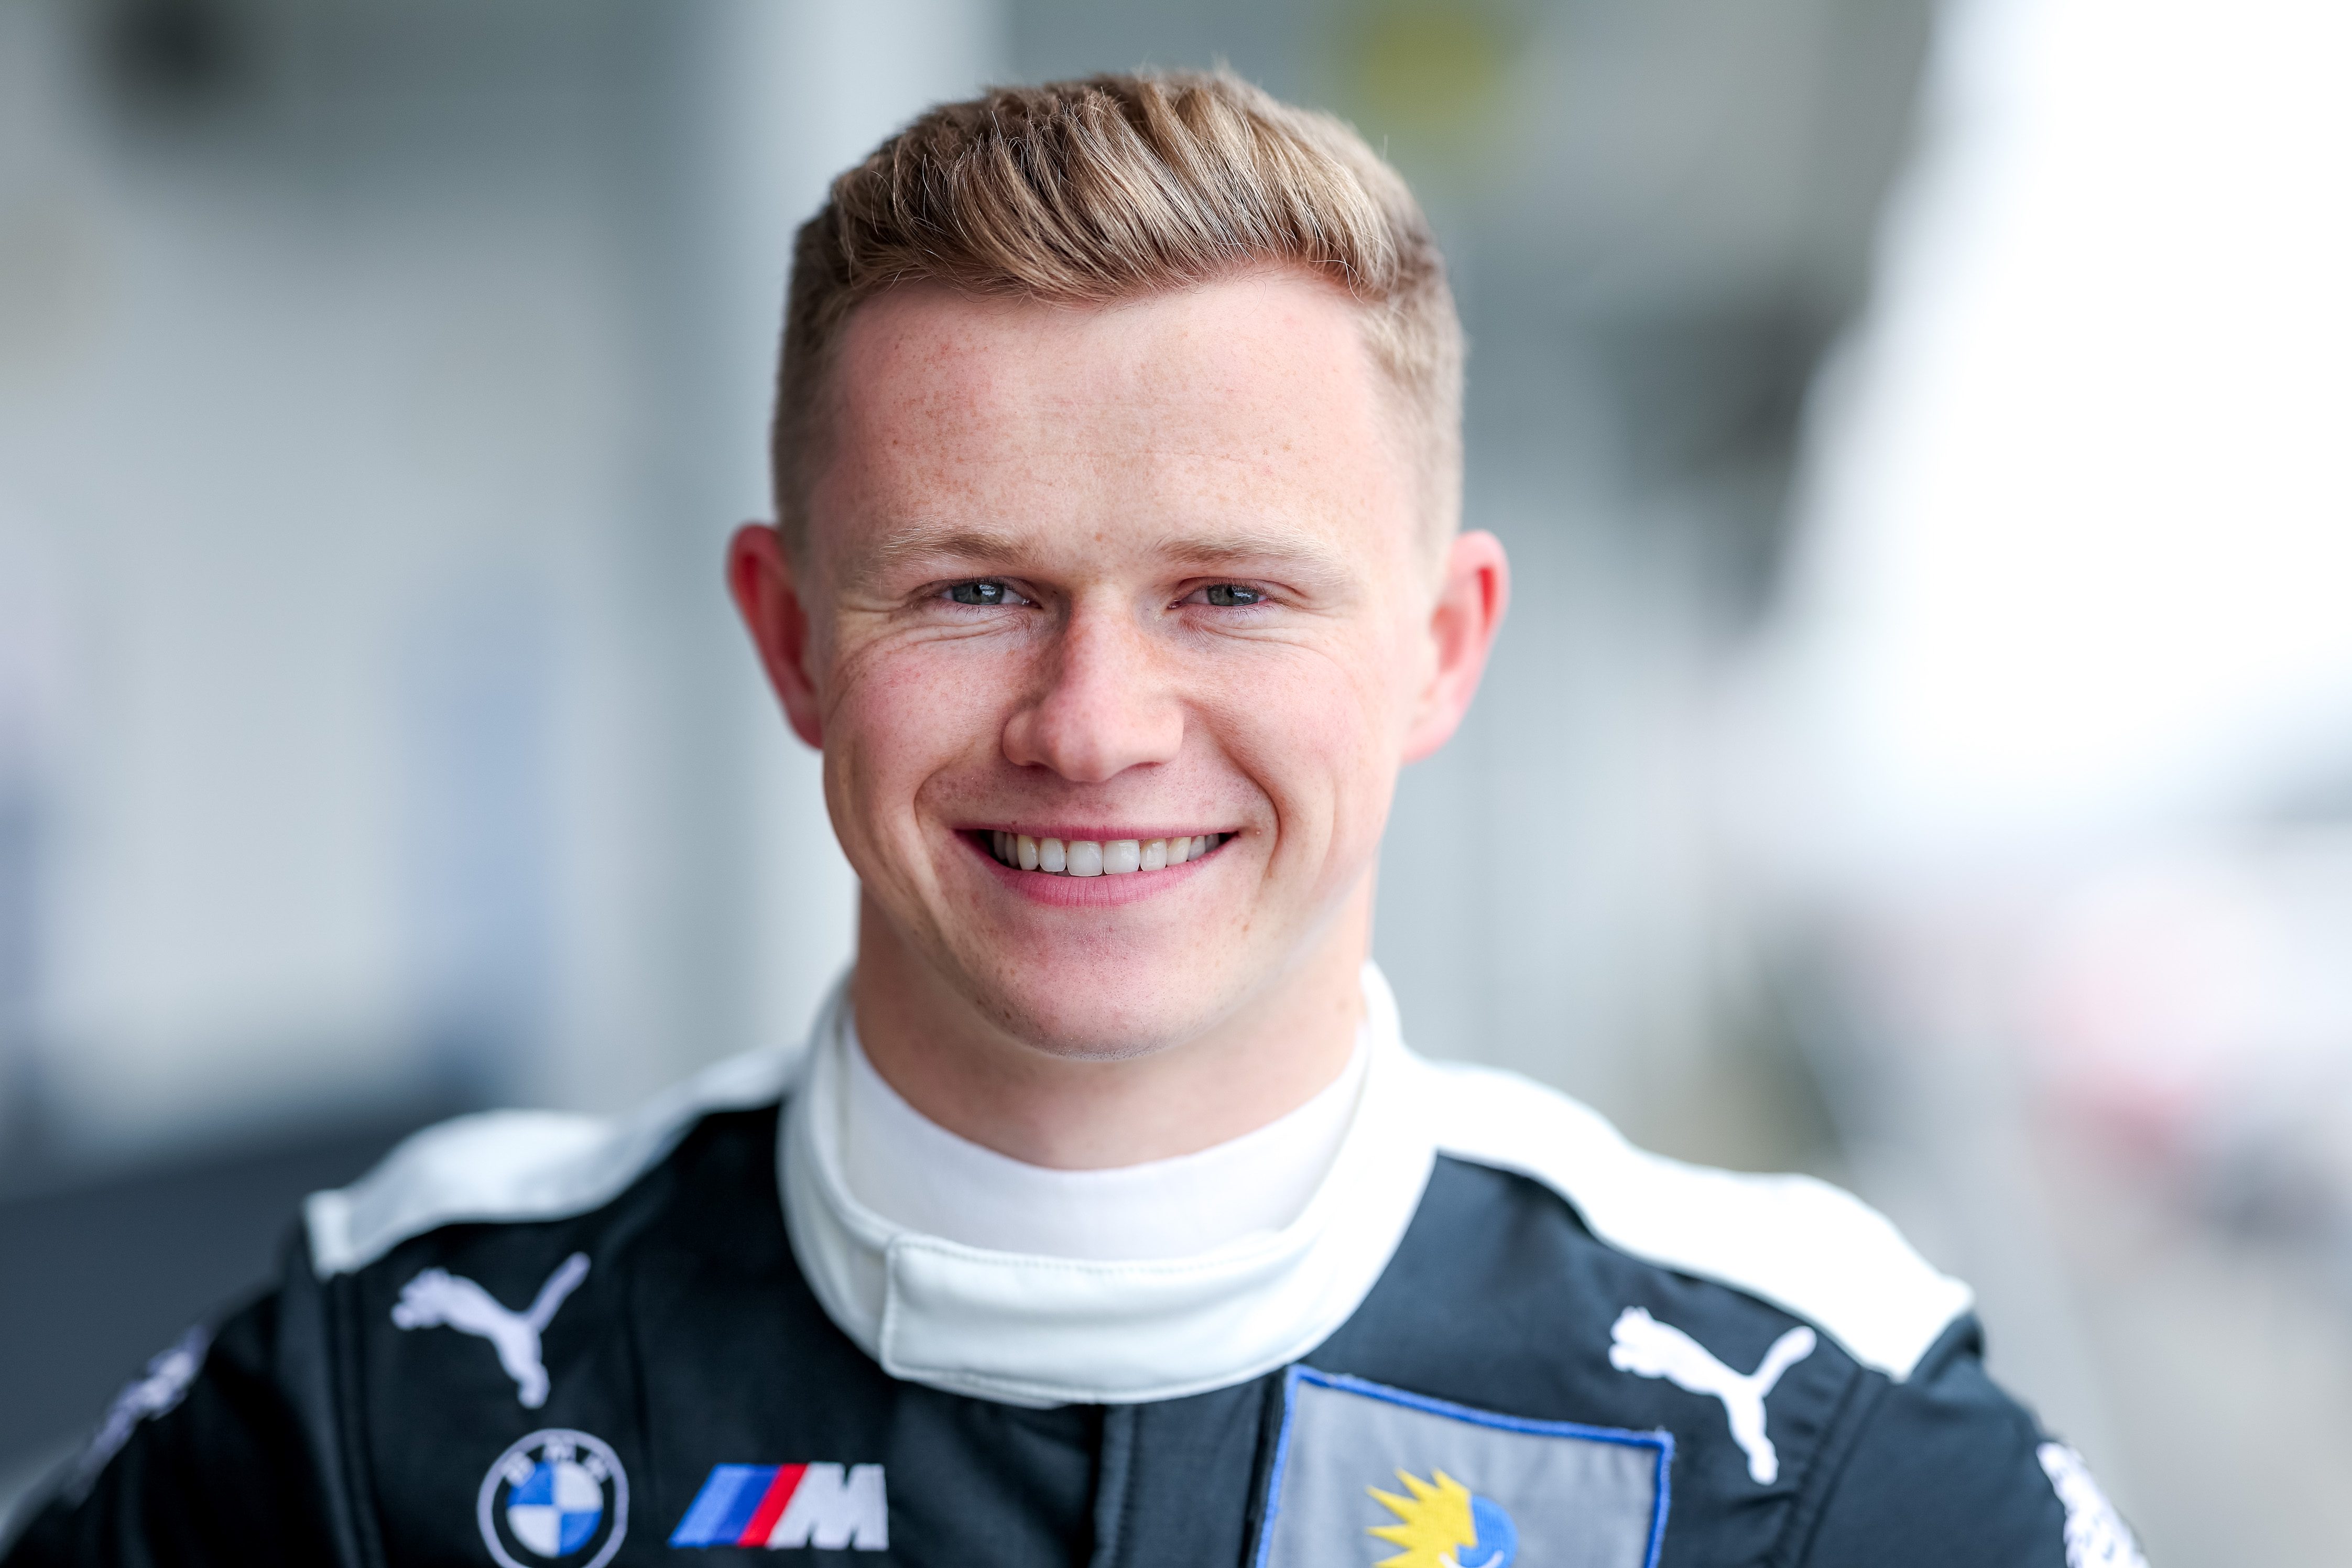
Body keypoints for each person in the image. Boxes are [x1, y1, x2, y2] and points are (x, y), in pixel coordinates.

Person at [4, 70, 2142, 1568]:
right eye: (973, 592)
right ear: (789, 641)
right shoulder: (397, 1382)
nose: (1095, 726)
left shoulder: (1808, 1435)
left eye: (1230, 595)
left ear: (1440, 648)